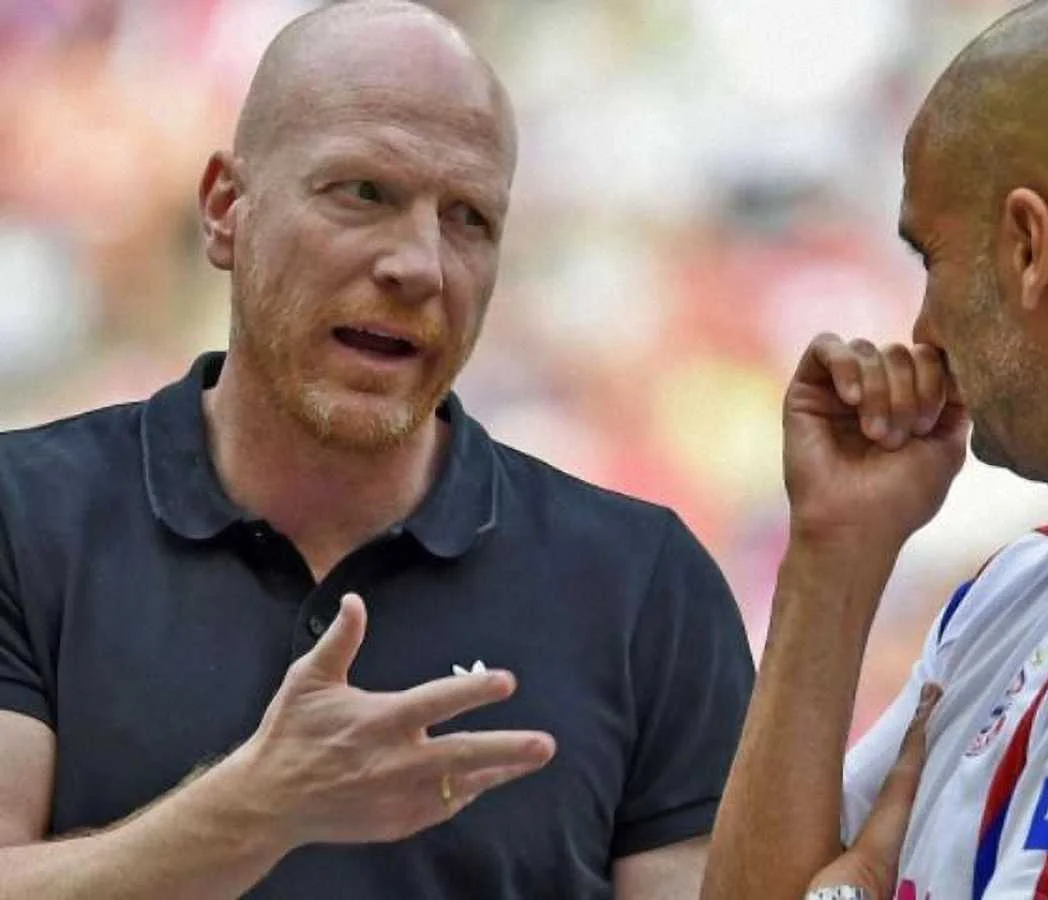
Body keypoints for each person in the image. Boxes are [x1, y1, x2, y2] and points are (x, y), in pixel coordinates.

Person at [0, 2, 755, 897]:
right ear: (226, 210)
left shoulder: (645, 586)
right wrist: (253, 812)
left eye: (469, 218)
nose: (420, 265)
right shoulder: (24, 517)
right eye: (364, 194)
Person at [701, 0, 1048, 898]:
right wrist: (832, 556)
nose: (922, 329)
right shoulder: (1006, 595)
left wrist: (851, 889)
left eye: (929, 257)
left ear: (1029, 248)